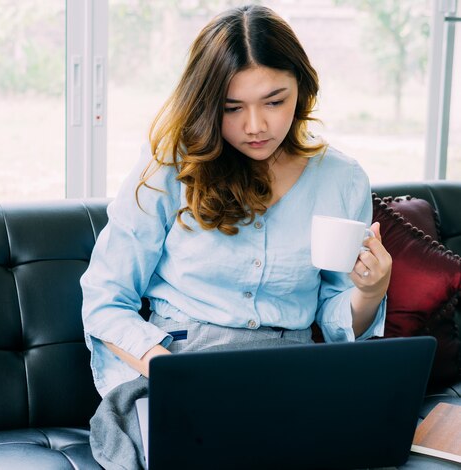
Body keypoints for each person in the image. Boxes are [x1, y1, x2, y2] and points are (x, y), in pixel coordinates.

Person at [81, 4, 392, 469]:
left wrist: (370, 291)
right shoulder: (172, 168)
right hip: (178, 364)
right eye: (232, 108)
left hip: (289, 373)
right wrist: (170, 370)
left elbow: (334, 318)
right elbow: (106, 299)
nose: (255, 125)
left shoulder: (341, 179)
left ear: (302, 90)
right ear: (206, 104)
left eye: (274, 100)